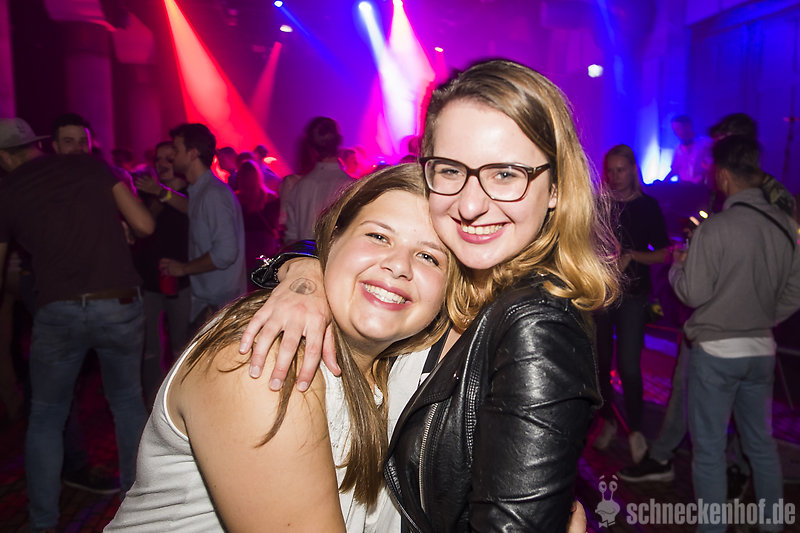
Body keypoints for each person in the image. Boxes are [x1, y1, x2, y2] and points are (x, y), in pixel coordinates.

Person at [239, 59, 619, 531]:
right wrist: (306, 274)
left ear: (557, 188)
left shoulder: (537, 324)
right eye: (451, 169)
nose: (471, 204)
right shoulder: (454, 281)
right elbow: (350, 243)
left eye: (506, 174)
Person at [105, 164, 453, 532]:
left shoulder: (403, 359)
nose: (398, 266)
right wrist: (305, 268)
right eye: (378, 236)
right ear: (332, 240)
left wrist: (304, 267)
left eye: (429, 257)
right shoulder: (268, 355)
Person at [0, 118, 154, 532]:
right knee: (127, 405)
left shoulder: (8, 190)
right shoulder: (90, 165)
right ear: (37, 145)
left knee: (46, 416)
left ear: (3, 157)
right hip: (117, 301)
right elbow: (144, 225)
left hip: (59, 309)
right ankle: (138, 515)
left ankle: (43, 522)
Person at [671, 135, 800, 533]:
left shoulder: (716, 228)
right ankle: (772, 524)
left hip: (716, 351)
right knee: (760, 444)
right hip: (760, 348)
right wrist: (760, 317)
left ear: (723, 176)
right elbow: (795, 290)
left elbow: (693, 293)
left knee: (709, 450)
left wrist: (677, 266)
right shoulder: (786, 225)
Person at [592, 145, 670, 464]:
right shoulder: (600, 204)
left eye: (620, 170)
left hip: (634, 294)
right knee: (600, 363)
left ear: (633, 170)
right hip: (602, 294)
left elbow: (664, 252)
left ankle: (636, 430)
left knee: (628, 365)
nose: (614, 176)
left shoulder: (647, 206)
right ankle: (609, 420)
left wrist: (632, 256)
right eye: (610, 170)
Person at [159, 123, 247, 331]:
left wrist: (183, 268)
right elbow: (191, 210)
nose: (171, 155)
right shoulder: (201, 192)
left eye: (176, 149)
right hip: (211, 304)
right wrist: (162, 192)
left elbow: (226, 253)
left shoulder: (213, 194)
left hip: (219, 308)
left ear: (192, 153)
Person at [131, 141, 192, 408]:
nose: (163, 164)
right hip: (149, 280)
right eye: (159, 159)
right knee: (150, 348)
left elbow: (190, 209)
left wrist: (163, 193)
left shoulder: (190, 192)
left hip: (182, 279)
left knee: (182, 346)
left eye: (169, 158)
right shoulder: (148, 194)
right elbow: (143, 227)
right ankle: (152, 405)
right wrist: (157, 195)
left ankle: (179, 404)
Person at [282, 116, 354, 243]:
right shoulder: (350, 187)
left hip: (303, 253)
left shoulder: (299, 187)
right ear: (339, 141)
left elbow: (291, 237)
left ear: (311, 147)